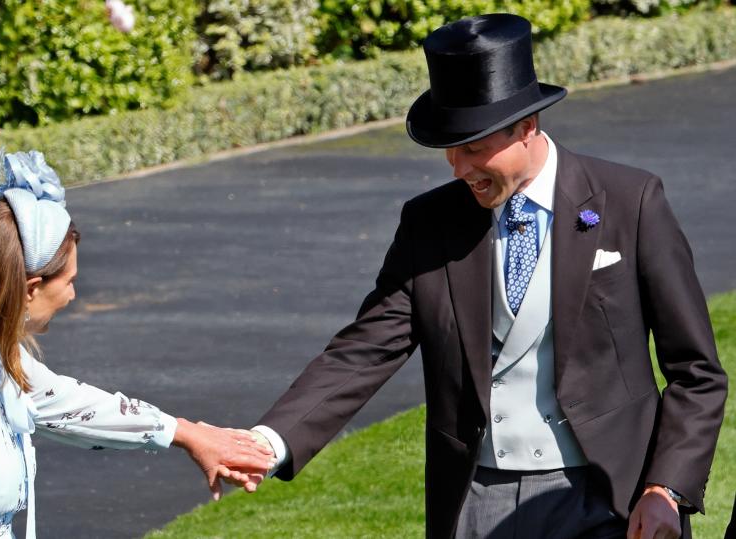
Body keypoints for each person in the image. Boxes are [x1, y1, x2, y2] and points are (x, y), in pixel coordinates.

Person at [220, 13, 727, 539]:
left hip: (610, 500)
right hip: (473, 504)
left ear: (528, 127)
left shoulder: (631, 202)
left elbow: (696, 372)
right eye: (450, 149)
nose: (459, 168)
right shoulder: (429, 222)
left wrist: (666, 487)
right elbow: (364, 350)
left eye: (475, 147)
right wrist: (269, 442)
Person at [0, 150, 272, 538]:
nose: (72, 296)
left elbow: (73, 406)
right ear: (31, 288)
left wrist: (187, 434)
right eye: (68, 282)